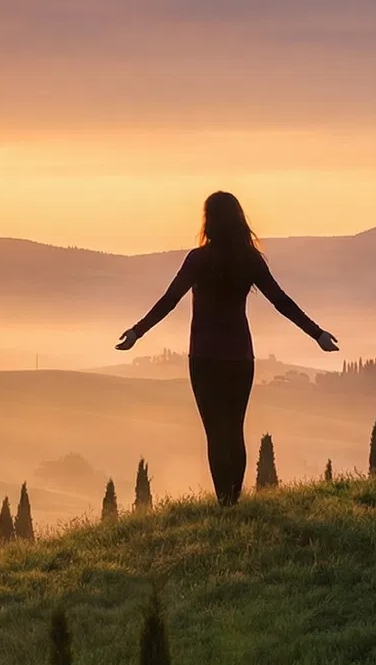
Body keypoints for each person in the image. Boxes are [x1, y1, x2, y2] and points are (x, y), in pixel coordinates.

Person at [116, 191, 337, 505]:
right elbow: (281, 301)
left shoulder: (198, 259)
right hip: (239, 358)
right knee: (234, 429)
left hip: (204, 357)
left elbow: (169, 300)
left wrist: (137, 332)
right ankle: (233, 500)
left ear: (209, 220)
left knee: (215, 433)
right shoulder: (249, 259)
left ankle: (225, 504)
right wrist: (317, 334)